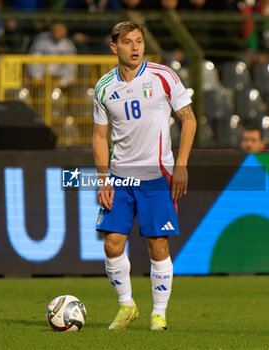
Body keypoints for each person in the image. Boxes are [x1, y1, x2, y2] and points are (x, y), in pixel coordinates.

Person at [92, 21, 196, 331]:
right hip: (120, 176)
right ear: (115, 47)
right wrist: (103, 179)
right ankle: (127, 306)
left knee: (158, 245)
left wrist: (181, 164)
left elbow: (188, 120)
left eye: (139, 41)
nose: (136, 47)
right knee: (111, 244)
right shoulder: (103, 87)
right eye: (128, 42)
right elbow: (99, 137)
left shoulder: (164, 76)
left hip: (157, 175)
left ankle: (159, 314)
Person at [27, 20, 77, 89]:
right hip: (42, 78)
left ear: (65, 31)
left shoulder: (68, 45)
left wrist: (61, 82)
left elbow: (71, 68)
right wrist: (38, 78)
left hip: (59, 80)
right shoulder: (41, 39)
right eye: (55, 29)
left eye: (60, 29)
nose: (57, 31)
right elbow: (33, 60)